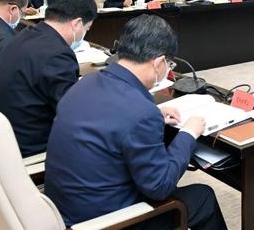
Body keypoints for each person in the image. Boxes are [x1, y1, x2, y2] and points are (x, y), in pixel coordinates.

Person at [44, 15, 227, 230]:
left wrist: (154, 116)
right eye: (169, 64)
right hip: (105, 222)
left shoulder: (84, 83)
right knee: (202, 197)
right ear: (158, 63)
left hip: (63, 211)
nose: (168, 69)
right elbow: (160, 187)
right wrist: (188, 133)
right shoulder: (140, 112)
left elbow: (111, 117)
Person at [0, 0, 97, 157]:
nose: (84, 34)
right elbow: (73, 115)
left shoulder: (24, 35)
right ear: (77, 24)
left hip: (7, 136)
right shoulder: (58, 54)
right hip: (33, 148)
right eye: (87, 29)